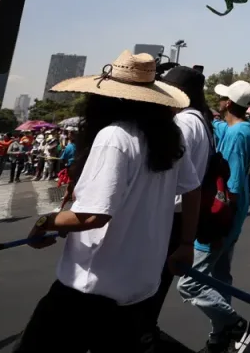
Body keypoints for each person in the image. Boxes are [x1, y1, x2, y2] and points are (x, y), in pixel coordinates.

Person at [13, 50, 201, 353]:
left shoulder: (114, 137)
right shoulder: (169, 136)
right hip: (140, 286)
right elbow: (193, 190)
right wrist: (187, 244)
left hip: (91, 288)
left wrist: (45, 222)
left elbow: (92, 217)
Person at [177, 79, 250, 353]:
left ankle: (235, 324)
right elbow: (215, 128)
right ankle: (219, 338)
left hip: (223, 210)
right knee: (221, 277)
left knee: (189, 283)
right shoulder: (236, 128)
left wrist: (220, 222)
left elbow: (233, 185)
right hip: (229, 208)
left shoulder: (238, 135)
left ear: (229, 104)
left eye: (222, 98)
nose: (219, 101)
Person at [142, 65, 214, 350]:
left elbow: (171, 173)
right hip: (180, 214)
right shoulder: (199, 120)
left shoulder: (184, 123)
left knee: (148, 295)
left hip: (170, 214)